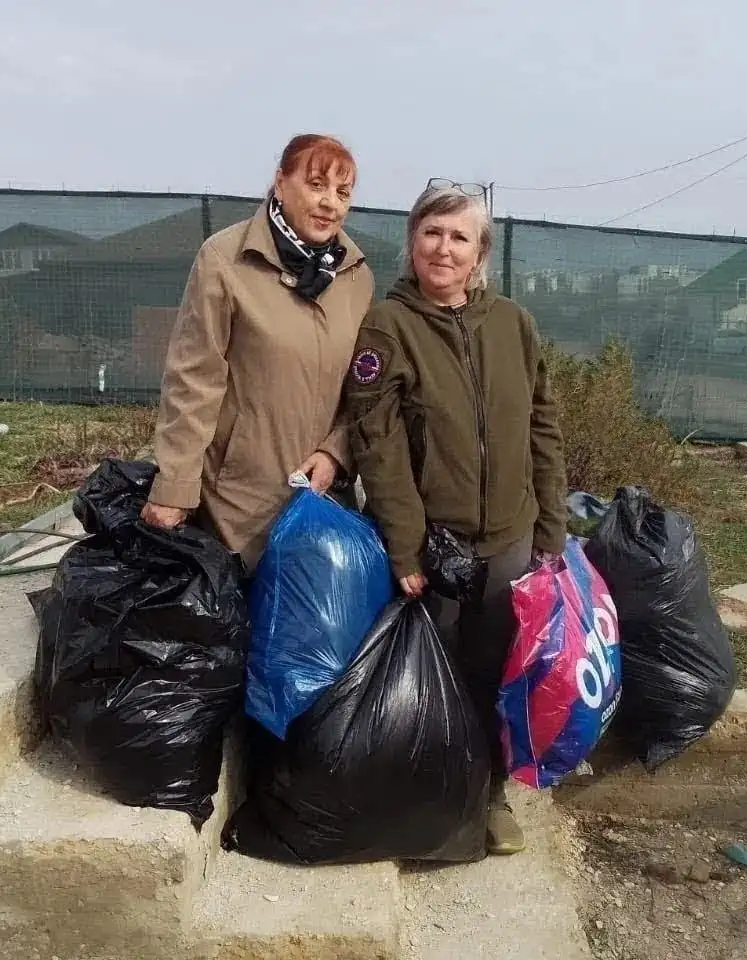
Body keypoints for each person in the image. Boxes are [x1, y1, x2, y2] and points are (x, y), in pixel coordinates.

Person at [343, 179, 568, 856]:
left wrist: (550, 530)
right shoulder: (388, 327)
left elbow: (543, 427)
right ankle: (433, 805)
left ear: (480, 254)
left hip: (509, 539)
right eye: (432, 233)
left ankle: (489, 796)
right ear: (413, 241)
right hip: (434, 549)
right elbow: (377, 446)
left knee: (497, 673)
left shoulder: (513, 324)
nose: (444, 249)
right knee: (431, 681)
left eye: (459, 237)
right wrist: (405, 547)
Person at [140, 135, 375, 573]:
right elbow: (193, 381)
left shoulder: (355, 276)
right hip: (237, 499)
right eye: (316, 185)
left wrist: (336, 453)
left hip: (321, 497)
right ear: (281, 182)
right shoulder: (226, 260)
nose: (330, 203)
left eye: (343, 193)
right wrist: (175, 488)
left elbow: (362, 388)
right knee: (238, 608)